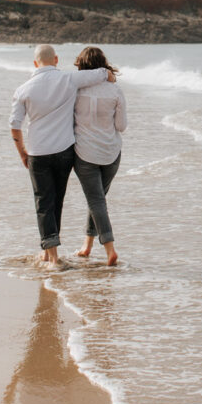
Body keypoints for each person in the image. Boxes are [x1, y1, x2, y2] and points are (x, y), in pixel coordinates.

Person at [9, 44, 115, 268]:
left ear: (35, 63)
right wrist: (109, 75)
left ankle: (52, 256)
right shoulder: (68, 79)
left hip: (38, 153)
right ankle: (49, 254)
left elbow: (15, 125)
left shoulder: (23, 89)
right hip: (65, 152)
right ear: (56, 60)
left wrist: (22, 153)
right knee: (57, 200)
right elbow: (99, 74)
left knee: (43, 202)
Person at [72, 46, 126, 267]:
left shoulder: (75, 90)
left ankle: (110, 250)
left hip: (85, 154)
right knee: (98, 200)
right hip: (111, 153)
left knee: (96, 201)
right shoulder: (115, 90)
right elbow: (121, 126)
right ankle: (87, 246)